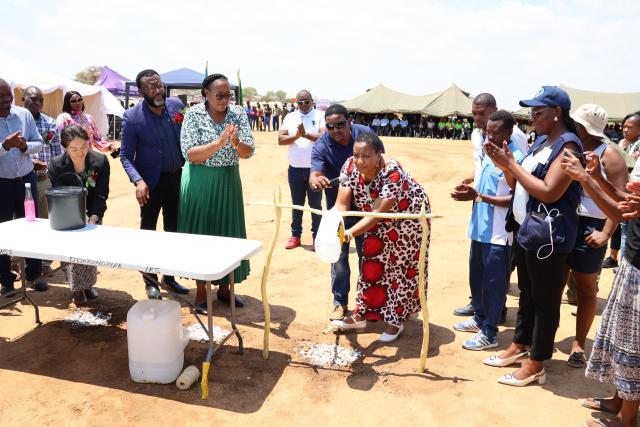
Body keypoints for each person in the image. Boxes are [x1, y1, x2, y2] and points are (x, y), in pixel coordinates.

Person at [483, 86, 582, 387]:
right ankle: (519, 345)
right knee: (527, 293)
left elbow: (550, 191)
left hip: (550, 238)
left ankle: (537, 362)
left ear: (558, 113)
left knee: (546, 300)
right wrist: (505, 165)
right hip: (529, 232)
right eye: (531, 110)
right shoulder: (540, 140)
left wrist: (511, 164)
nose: (532, 116)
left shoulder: (568, 147)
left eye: (539, 111)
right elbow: (519, 184)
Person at [561, 134, 640, 427]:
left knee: (633, 345)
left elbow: (619, 212)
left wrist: (586, 180)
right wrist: (596, 178)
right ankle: (619, 401)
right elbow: (627, 202)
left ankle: (627, 420)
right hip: (633, 262)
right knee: (623, 339)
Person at [331, 132, 430, 342]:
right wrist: (333, 224)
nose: (359, 161)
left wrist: (348, 234)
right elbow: (341, 204)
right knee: (371, 260)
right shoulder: (349, 167)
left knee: (401, 266)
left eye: (366, 156)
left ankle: (396, 320)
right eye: (356, 155)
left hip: (407, 219)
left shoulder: (392, 172)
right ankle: (361, 314)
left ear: (379, 155)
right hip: (374, 216)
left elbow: (377, 214)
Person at [178, 73, 255, 312]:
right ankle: (201, 292)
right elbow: (191, 154)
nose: (224, 100)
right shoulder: (193, 115)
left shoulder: (238, 113)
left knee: (227, 233)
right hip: (200, 181)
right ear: (205, 94)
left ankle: (225, 288)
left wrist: (235, 143)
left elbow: (248, 151)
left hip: (228, 180)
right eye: (219, 95)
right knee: (202, 233)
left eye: (228, 95)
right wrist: (219, 144)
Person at [451, 111, 527, 350]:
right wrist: (470, 186)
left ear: (508, 133)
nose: (490, 137)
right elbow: (484, 180)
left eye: (496, 133)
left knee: (494, 284)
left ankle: (490, 332)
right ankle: (480, 318)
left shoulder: (516, 158)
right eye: (487, 132)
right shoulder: (487, 151)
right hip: (480, 229)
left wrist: (480, 197)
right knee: (478, 278)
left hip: (500, 233)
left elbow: (516, 197)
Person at [561, 104, 629, 369]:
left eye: (575, 123)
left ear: (584, 127)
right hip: (566, 222)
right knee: (557, 283)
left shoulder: (610, 155)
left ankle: (579, 344)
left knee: (586, 289)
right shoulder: (572, 147)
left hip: (593, 227)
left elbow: (619, 200)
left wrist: (605, 232)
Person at [120, 69, 189, 299]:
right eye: (151, 87)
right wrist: (138, 180)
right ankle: (151, 281)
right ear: (141, 92)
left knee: (174, 231)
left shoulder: (175, 106)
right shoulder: (132, 117)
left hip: (178, 179)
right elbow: (126, 156)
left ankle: (169, 277)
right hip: (150, 184)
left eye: (159, 85)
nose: (157, 89)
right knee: (148, 233)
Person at [310, 103, 383, 320]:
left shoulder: (365, 135)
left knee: (368, 257)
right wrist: (316, 181)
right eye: (330, 126)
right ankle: (339, 302)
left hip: (368, 208)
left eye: (340, 124)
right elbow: (315, 174)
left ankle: (369, 304)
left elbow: (382, 164)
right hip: (339, 209)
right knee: (339, 259)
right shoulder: (321, 145)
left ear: (350, 121)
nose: (336, 130)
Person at [48, 125, 110, 305]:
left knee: (89, 250)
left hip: (93, 211)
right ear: (65, 148)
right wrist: (76, 217)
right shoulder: (56, 165)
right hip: (66, 213)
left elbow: (101, 194)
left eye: (84, 147)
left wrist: (94, 217)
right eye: (73, 149)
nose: (80, 152)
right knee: (71, 251)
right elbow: (59, 195)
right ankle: (76, 288)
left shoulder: (100, 161)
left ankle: (88, 284)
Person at [0, 78, 45, 296]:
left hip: (26, 180)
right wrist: (4, 146)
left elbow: (39, 143)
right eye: (1, 96)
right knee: (2, 233)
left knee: (32, 227)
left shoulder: (24, 115)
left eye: (8, 95)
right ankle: (6, 281)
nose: (6, 100)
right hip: (2, 184)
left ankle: (34, 275)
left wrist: (25, 145)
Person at [278, 90, 325, 250]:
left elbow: (325, 138)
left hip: (315, 170)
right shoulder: (290, 117)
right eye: (300, 102)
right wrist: (297, 136)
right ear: (296, 103)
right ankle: (295, 236)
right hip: (295, 169)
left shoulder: (320, 116)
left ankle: (317, 237)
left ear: (312, 101)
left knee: (315, 205)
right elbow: (281, 139)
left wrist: (305, 135)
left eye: (306, 101)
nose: (303, 105)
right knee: (297, 204)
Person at [23, 86, 62, 279]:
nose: (37, 103)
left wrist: (56, 178)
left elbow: (57, 153)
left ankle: (43, 263)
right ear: (23, 100)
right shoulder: (17, 121)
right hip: (21, 181)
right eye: (32, 99)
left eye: (40, 100)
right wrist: (30, 163)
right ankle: (19, 263)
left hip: (45, 180)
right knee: (22, 221)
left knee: (45, 221)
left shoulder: (50, 123)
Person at [602, 112, 640, 270]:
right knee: (617, 227)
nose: (625, 130)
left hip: (633, 195)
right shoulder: (622, 142)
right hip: (619, 190)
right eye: (624, 126)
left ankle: (625, 264)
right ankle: (613, 257)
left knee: (627, 231)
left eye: (629, 127)